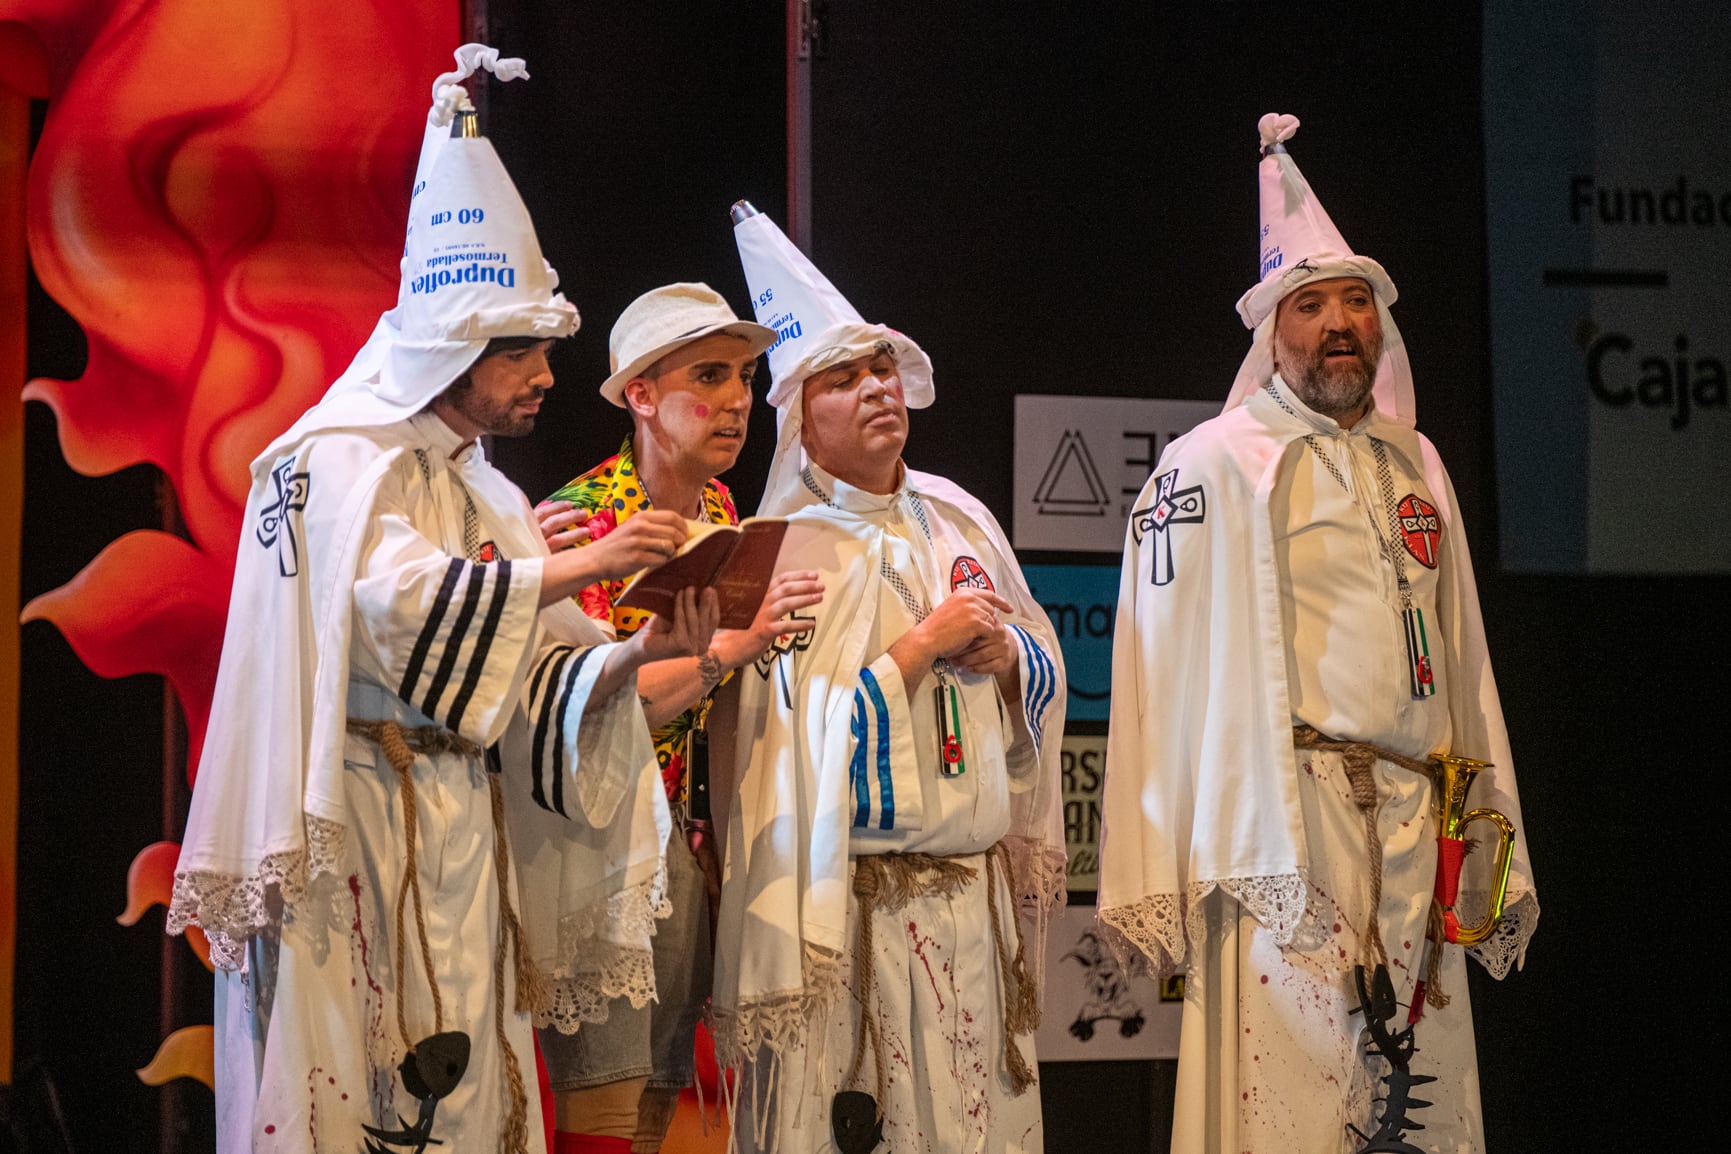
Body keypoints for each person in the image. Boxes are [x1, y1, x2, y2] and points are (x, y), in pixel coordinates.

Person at [168, 47, 712, 1153]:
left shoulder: (482, 486)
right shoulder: (332, 460)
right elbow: (395, 604)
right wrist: (581, 568)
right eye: (522, 350)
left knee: (464, 1096)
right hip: (355, 832)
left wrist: (634, 648)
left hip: (466, 838)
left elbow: (539, 673)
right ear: (453, 344)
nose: (546, 377)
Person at [1097, 114, 1539, 1153]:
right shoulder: (1207, 466)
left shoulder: (1414, 460)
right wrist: (1166, 850)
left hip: (1411, 825)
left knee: (1420, 1102)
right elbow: (1154, 668)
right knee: (1288, 1102)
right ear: (1271, 332)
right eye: (1311, 304)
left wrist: (1485, 815)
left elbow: (1462, 653)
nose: (1338, 322)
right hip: (1283, 836)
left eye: (1356, 302)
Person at [710, 204, 1067, 1153]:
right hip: (856, 921)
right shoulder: (779, 548)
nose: (876, 388)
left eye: (882, 370)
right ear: (798, 416)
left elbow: (1041, 659)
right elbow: (784, 751)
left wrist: (1007, 662)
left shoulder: (960, 516)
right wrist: (917, 649)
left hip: (969, 904)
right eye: (843, 378)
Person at [533, 283, 825, 1154]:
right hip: (601, 843)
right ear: (641, 395)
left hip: (684, 839)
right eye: (709, 375)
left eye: (744, 376)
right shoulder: (583, 525)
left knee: (664, 1102)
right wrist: (735, 646)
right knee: (607, 1112)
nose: (736, 399)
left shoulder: (725, 516)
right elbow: (600, 707)